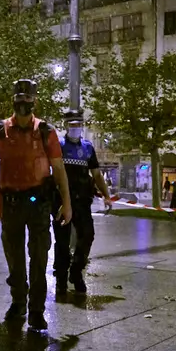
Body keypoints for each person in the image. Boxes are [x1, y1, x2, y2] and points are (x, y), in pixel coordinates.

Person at [0, 79, 72, 330]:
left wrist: (67, 203)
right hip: (11, 203)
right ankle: (18, 302)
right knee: (15, 259)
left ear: (34, 101)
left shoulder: (46, 131)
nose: (23, 104)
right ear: (13, 101)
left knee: (39, 258)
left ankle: (36, 310)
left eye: (28, 99)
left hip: (39, 202)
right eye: (20, 99)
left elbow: (59, 170)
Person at [52, 110, 112, 295]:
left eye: (78, 124)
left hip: (82, 201)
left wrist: (106, 195)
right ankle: (61, 278)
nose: (76, 128)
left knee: (87, 235)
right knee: (62, 242)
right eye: (72, 125)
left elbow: (96, 174)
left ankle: (76, 272)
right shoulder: (58, 146)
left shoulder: (87, 148)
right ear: (65, 126)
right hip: (61, 201)